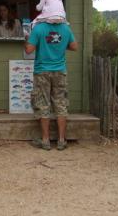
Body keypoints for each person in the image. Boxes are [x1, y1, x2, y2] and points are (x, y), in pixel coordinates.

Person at [25, 21, 78, 151]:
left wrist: (28, 39)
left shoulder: (38, 28)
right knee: (60, 103)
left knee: (43, 103)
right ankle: (61, 140)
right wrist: (60, 45)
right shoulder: (65, 28)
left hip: (42, 71)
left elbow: (28, 50)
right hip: (60, 71)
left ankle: (45, 140)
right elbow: (74, 46)